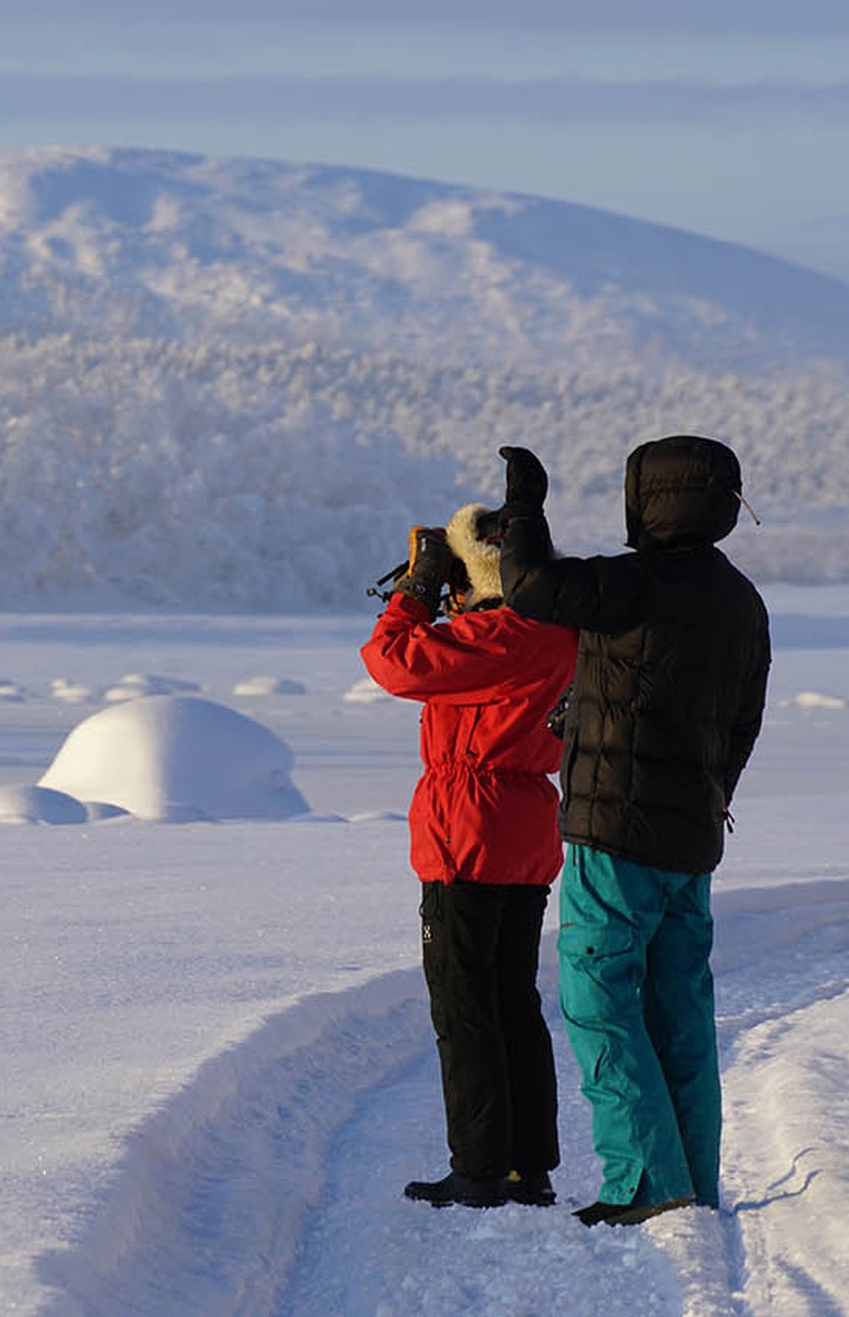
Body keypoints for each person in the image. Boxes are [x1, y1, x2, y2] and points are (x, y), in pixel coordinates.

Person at [496, 437, 769, 1227]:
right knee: (681, 1012)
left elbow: (529, 587)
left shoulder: (631, 583)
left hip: (613, 836)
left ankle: (647, 1181)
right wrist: (711, 794)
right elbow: (744, 720)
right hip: (692, 843)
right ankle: (693, 1182)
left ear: (648, 499)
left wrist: (524, 509)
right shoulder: (742, 602)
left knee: (600, 1001)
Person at [361, 501, 579, 1210]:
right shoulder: (559, 635)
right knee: (513, 1000)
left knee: (464, 1007)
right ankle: (526, 1165)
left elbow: (391, 661)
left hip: (468, 833)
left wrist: (415, 590)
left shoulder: (497, 636)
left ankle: (479, 1167)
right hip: (523, 831)